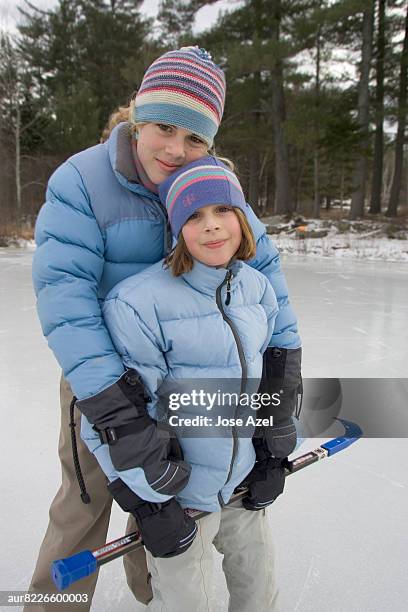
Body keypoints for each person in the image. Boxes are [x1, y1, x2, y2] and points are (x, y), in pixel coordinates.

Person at [29, 46, 301, 611]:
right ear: (137, 116)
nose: (177, 151)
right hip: (102, 379)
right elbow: (67, 305)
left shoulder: (215, 187)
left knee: (171, 502)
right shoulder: (80, 181)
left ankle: (154, 593)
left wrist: (281, 386)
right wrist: (118, 413)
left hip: (197, 378)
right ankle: (48, 605)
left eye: (196, 138)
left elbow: (267, 281)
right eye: (164, 127)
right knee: (88, 500)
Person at [79, 155, 298, 611]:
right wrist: (150, 505)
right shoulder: (139, 302)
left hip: (240, 487)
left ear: (242, 218)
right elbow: (111, 422)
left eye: (222, 211)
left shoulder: (256, 289)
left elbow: (263, 387)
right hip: (180, 498)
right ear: (177, 228)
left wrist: (271, 455)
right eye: (194, 216)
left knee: (260, 593)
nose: (212, 226)